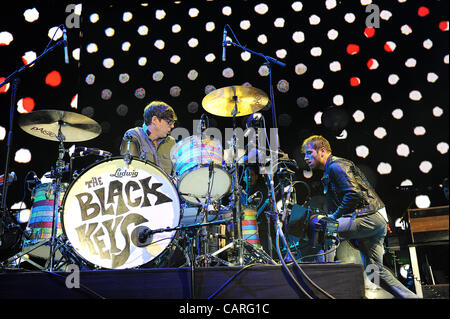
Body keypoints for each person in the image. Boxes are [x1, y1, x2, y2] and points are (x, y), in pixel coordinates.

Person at [301, 135, 419, 299]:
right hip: (374, 220)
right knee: (375, 273)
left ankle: (323, 286)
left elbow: (353, 194)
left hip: (368, 217)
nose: (305, 158)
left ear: (322, 151)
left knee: (326, 229)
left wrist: (333, 218)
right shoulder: (332, 169)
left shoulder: (336, 166)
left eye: (308, 153)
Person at [120, 101, 177, 176]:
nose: (172, 126)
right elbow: (129, 170)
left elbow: (176, 174)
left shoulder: (171, 142)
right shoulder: (134, 136)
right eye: (169, 122)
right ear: (155, 120)